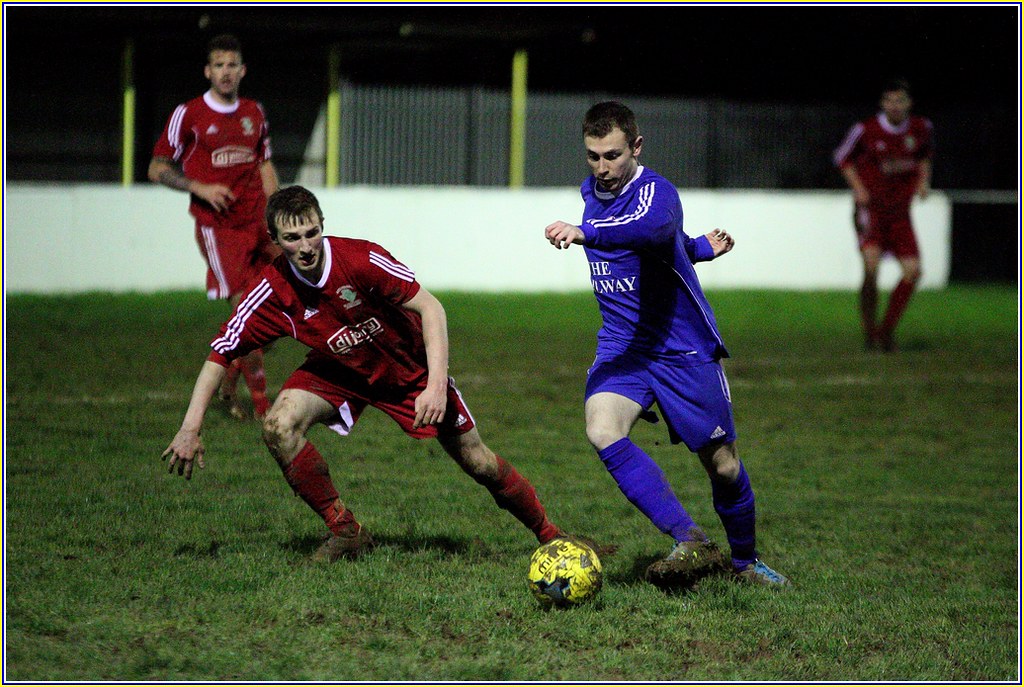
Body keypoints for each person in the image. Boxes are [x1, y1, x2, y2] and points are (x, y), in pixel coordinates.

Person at [162, 185, 564, 562]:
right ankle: (346, 529)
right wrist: (190, 427)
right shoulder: (271, 292)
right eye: (292, 238)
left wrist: (436, 386)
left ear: (322, 225)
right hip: (338, 370)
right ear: (274, 240)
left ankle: (552, 537)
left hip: (407, 370)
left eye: (311, 232)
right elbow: (219, 353)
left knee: (478, 462)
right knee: (278, 426)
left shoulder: (360, 259)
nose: (305, 247)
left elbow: (431, 308)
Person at [543, 101, 788, 588]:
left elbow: (651, 229)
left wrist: (586, 232)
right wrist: (695, 248)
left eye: (612, 155)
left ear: (636, 147)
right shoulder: (592, 189)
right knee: (602, 429)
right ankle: (690, 538)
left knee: (722, 465)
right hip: (623, 346)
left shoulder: (659, 193)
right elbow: (662, 245)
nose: (602, 168)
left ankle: (744, 562)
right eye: (592, 156)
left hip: (681, 347)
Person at [149, 33, 280, 419]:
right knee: (247, 314)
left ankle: (227, 386)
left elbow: (264, 163)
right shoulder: (188, 114)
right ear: (208, 71)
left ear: (242, 70)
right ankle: (262, 408)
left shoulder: (254, 112)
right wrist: (198, 187)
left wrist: (278, 213)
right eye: (218, 65)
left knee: (272, 317)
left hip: (260, 225)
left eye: (232, 65)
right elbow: (157, 168)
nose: (225, 72)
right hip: (221, 232)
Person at [833, 78, 934, 352]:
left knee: (913, 272)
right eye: (890, 100)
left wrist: (924, 181)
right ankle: (869, 332)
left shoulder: (921, 128)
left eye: (900, 100)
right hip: (871, 212)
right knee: (872, 268)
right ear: (882, 103)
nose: (895, 105)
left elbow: (924, 155)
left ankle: (885, 331)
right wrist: (859, 189)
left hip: (900, 213)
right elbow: (842, 158)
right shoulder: (865, 130)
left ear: (909, 103)